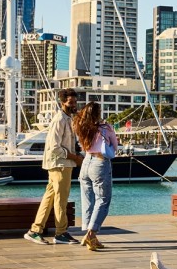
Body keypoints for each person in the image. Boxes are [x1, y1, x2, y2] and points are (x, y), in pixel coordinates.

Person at [24, 88, 82, 245]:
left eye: (75, 102)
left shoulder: (68, 119)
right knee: (61, 199)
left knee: (49, 198)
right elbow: (54, 147)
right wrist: (75, 158)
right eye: (70, 102)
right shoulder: (59, 120)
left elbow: (66, 144)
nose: (74, 105)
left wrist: (77, 154)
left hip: (62, 164)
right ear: (62, 102)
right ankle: (61, 233)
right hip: (60, 165)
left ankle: (35, 230)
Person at [73, 101, 118, 251]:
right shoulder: (106, 128)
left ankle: (90, 235)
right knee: (103, 200)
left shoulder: (81, 127)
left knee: (88, 201)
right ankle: (91, 234)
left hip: (86, 163)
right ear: (97, 113)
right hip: (99, 163)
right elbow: (114, 147)